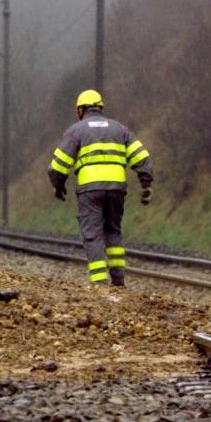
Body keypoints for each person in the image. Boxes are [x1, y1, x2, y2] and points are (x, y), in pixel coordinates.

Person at [47, 89, 153, 286]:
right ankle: (119, 280)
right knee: (113, 230)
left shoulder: (76, 131)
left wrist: (59, 186)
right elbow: (142, 157)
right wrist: (145, 183)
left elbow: (57, 166)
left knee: (92, 234)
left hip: (90, 190)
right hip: (117, 189)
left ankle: (99, 283)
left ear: (80, 110)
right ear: (100, 107)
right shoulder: (120, 129)